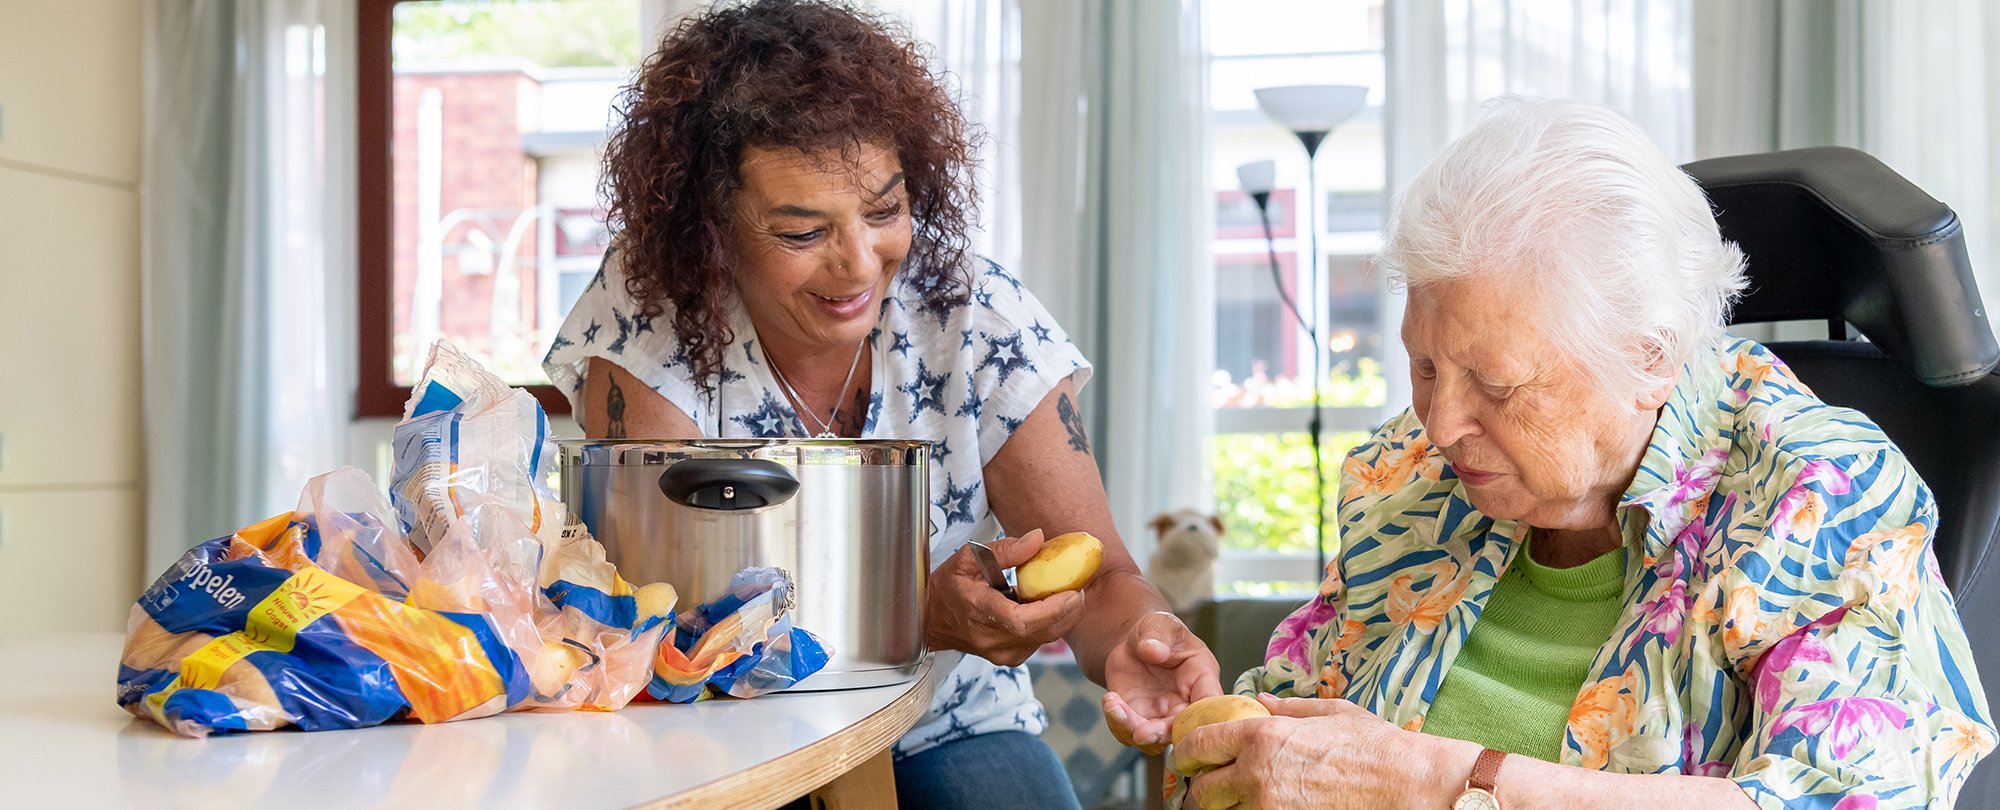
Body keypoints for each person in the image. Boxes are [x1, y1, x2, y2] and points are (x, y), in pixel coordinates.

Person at [1167, 97, 1995, 809]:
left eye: (1495, 383)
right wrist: (1210, 733)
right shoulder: (1406, 478)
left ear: (1650, 359)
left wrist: (1439, 782)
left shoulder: (1816, 494)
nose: (1442, 422)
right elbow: (1296, 738)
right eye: (1424, 365)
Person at [540, 2, 1220, 807]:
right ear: (711, 230)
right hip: (720, 726)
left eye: (885, 211)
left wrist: (1139, 640)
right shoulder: (653, 315)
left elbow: (1102, 572)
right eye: (802, 232)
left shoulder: (975, 319)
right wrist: (910, 616)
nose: (859, 265)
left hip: (948, 718)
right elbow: (664, 630)